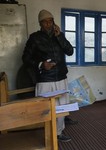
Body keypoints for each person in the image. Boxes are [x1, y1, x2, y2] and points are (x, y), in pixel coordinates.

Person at [22, 9, 74, 142]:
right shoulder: (34, 38)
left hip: (61, 77)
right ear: (40, 23)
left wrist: (60, 37)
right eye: (45, 22)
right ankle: (46, 134)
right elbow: (25, 59)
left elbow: (70, 51)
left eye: (50, 21)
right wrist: (41, 64)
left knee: (61, 106)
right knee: (44, 109)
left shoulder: (59, 35)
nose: (48, 24)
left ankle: (58, 133)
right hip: (45, 79)